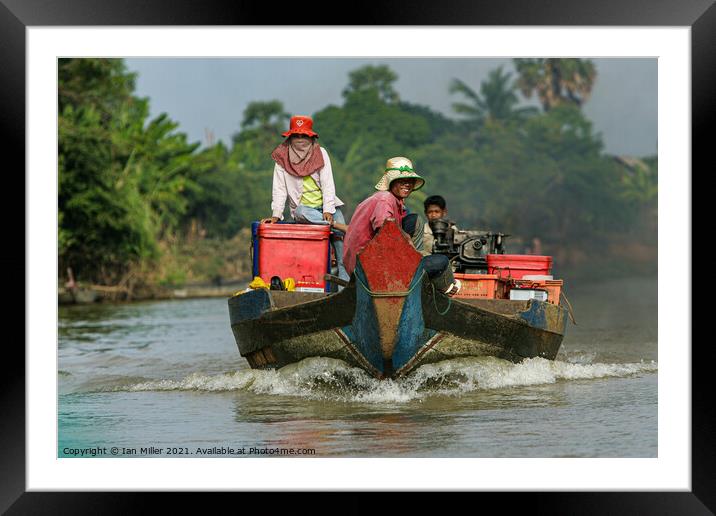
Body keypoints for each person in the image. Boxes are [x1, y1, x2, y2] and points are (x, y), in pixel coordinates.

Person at [343, 157, 461, 296]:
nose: (407, 184)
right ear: (391, 182)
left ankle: (428, 277)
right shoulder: (385, 198)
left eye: (409, 181)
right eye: (401, 181)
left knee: (414, 220)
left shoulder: (394, 202)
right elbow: (385, 228)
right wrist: (406, 240)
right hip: (369, 270)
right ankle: (441, 287)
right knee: (441, 262)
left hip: (369, 264)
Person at [261, 115, 349, 282]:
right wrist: (276, 215)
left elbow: (328, 183)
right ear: (290, 137)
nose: (300, 139)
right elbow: (279, 189)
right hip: (305, 212)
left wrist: (328, 210)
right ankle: (334, 228)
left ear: (311, 137)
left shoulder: (320, 152)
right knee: (301, 212)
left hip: (327, 209)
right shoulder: (281, 157)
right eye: (296, 136)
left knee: (343, 259)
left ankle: (343, 292)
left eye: (304, 136)